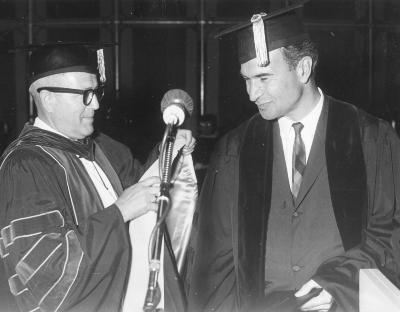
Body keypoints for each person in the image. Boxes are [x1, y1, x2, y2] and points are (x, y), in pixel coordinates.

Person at [186, 2, 400, 312]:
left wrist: (339, 283)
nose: (251, 93)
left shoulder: (370, 137)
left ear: (303, 69)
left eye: (263, 78)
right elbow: (215, 262)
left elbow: (391, 232)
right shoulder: (236, 148)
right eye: (246, 79)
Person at [0, 44, 196, 312]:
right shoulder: (27, 166)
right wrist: (119, 212)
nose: (97, 103)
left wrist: (167, 153)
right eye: (85, 94)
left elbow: (141, 192)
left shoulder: (102, 146)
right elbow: (49, 273)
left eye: (96, 92)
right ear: (47, 99)